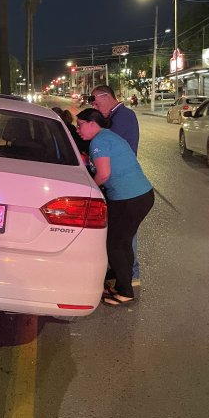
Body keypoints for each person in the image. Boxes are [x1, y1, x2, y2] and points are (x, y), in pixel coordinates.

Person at [75, 108, 154, 306]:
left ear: (92, 123)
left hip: (128, 198)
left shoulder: (99, 141)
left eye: (80, 125)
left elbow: (103, 174)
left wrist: (89, 190)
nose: (78, 129)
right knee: (124, 242)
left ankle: (125, 291)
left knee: (115, 244)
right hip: (142, 195)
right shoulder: (109, 136)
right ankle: (123, 282)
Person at [88, 84, 141, 285]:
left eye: (95, 100)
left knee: (126, 232)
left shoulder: (123, 116)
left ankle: (131, 273)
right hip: (118, 178)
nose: (94, 104)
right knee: (122, 231)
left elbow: (107, 142)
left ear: (106, 96)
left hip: (123, 180)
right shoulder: (116, 116)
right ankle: (123, 271)